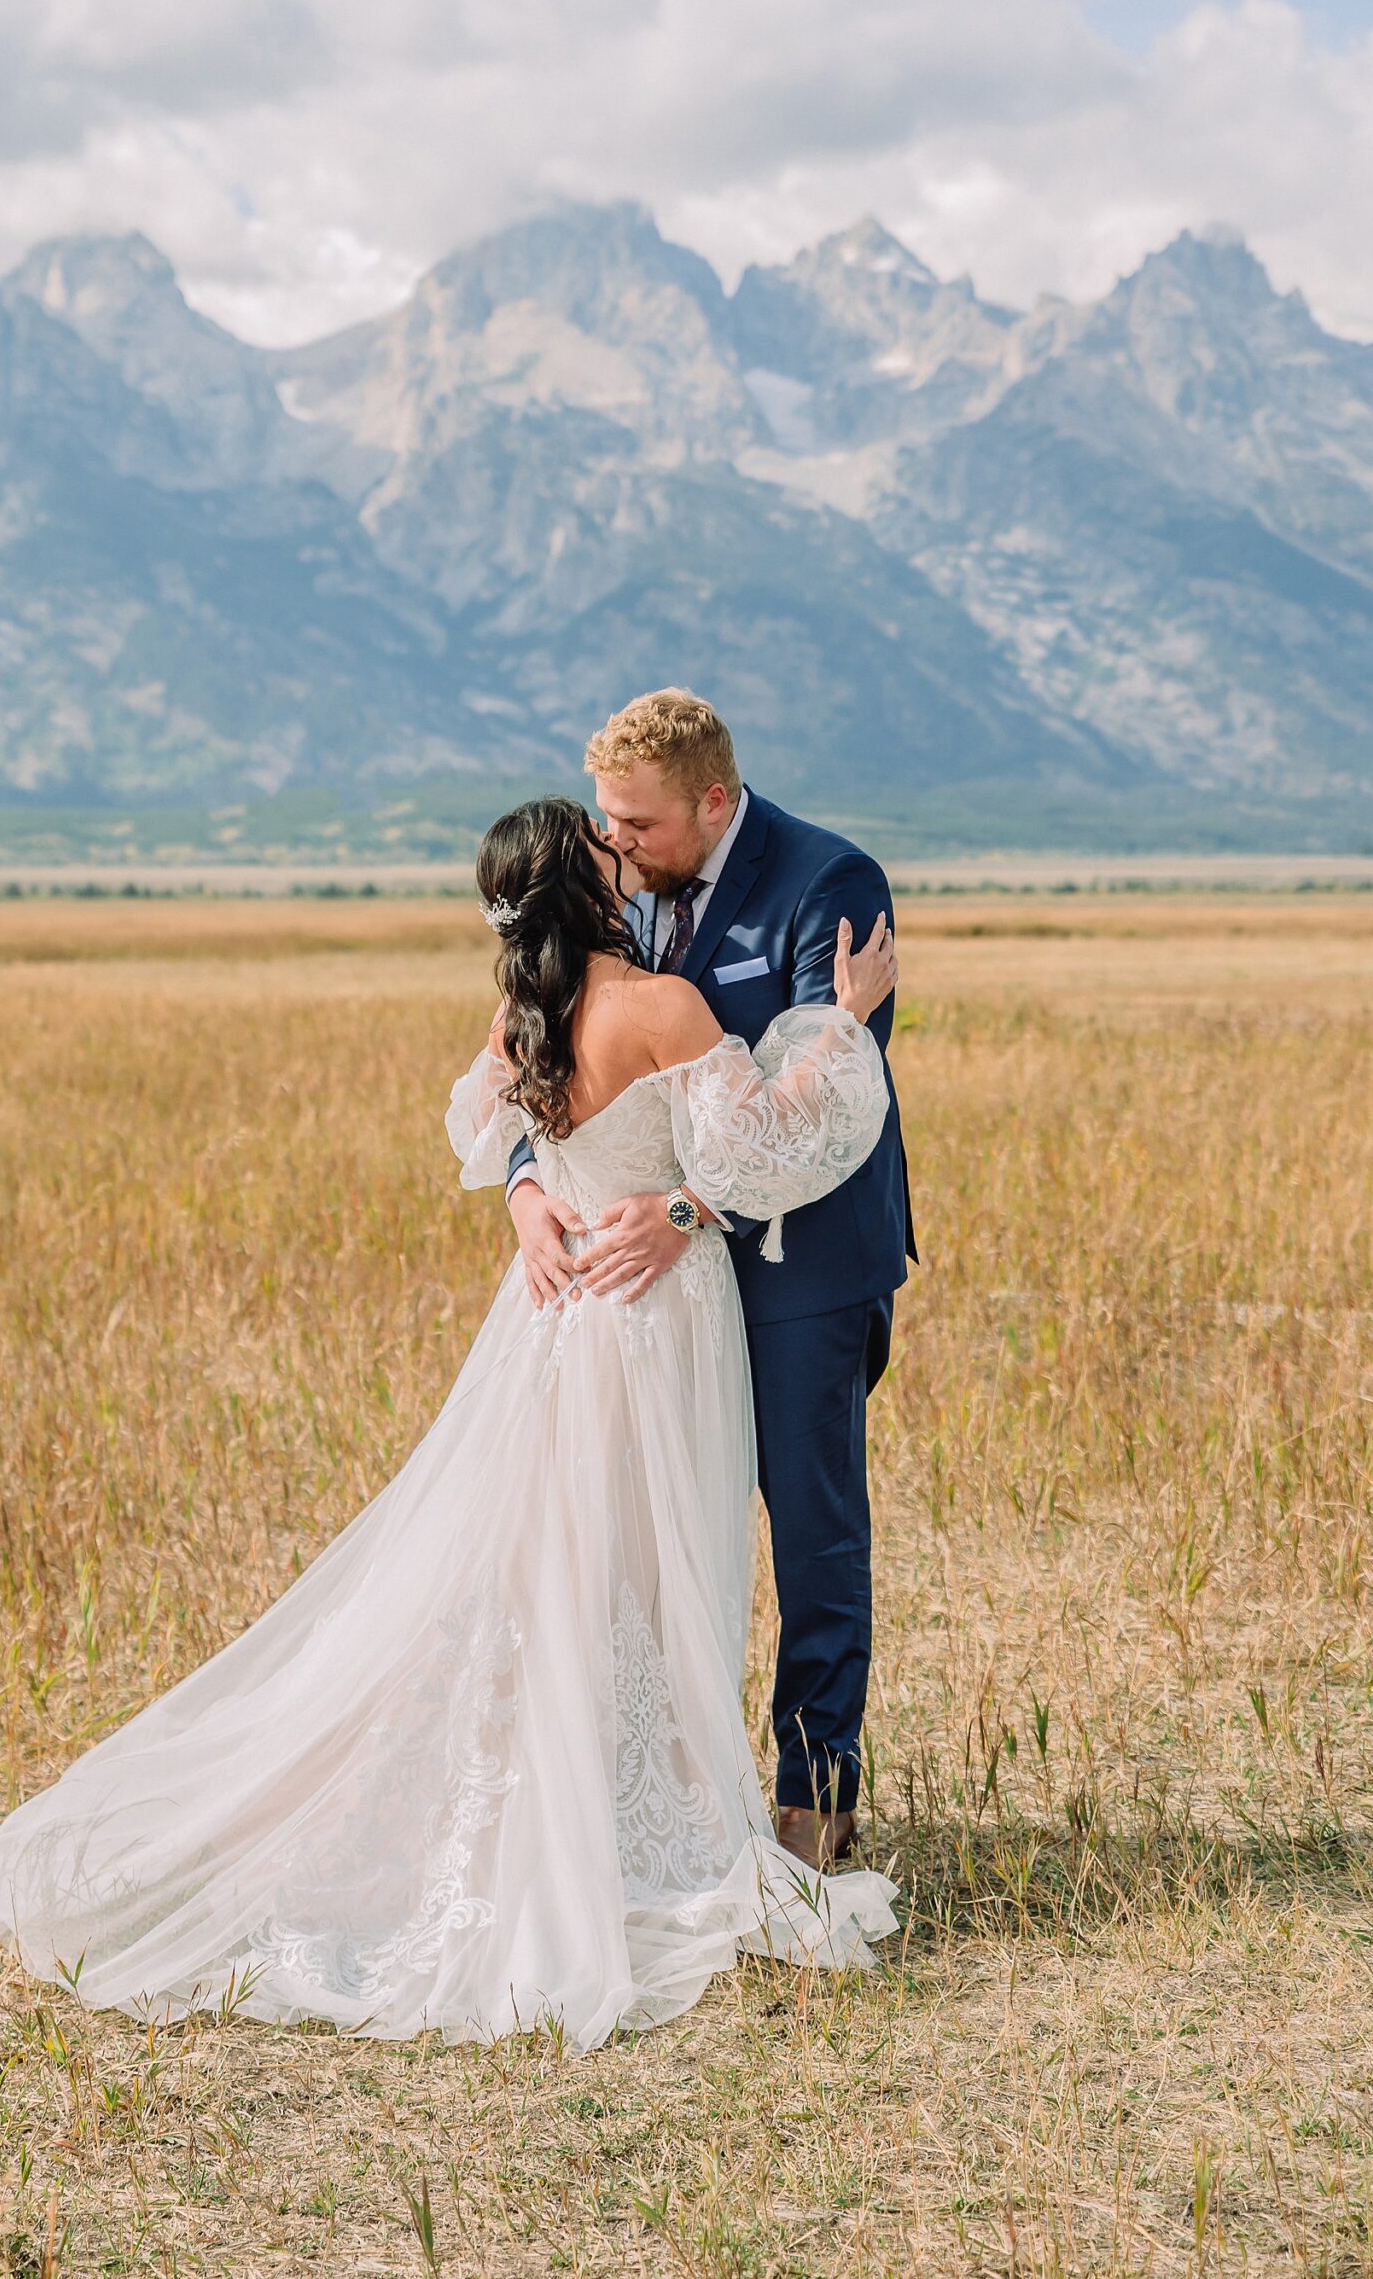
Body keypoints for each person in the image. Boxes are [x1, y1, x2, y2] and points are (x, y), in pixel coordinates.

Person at [0, 787, 902, 2052]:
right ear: (592, 884)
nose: (627, 854)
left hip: (551, 1326)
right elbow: (767, 1142)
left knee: (559, 1569)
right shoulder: (661, 1007)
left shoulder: (523, 1013)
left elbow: (487, 1121)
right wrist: (842, 1019)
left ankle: (580, 1806)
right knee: (661, 1570)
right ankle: (648, 1823)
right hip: (654, 1325)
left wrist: (533, 1190)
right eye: (609, 845)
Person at [505, 691, 914, 1868]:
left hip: (796, 1273)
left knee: (811, 1530)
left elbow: (814, 1108)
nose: (616, 843)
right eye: (604, 822)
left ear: (715, 802)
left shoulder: (829, 882)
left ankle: (812, 1799)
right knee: (640, 1533)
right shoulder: (618, 901)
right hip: (647, 1298)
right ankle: (655, 1793)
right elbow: (562, 1048)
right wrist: (534, 1185)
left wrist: (690, 1207)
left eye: (637, 823)